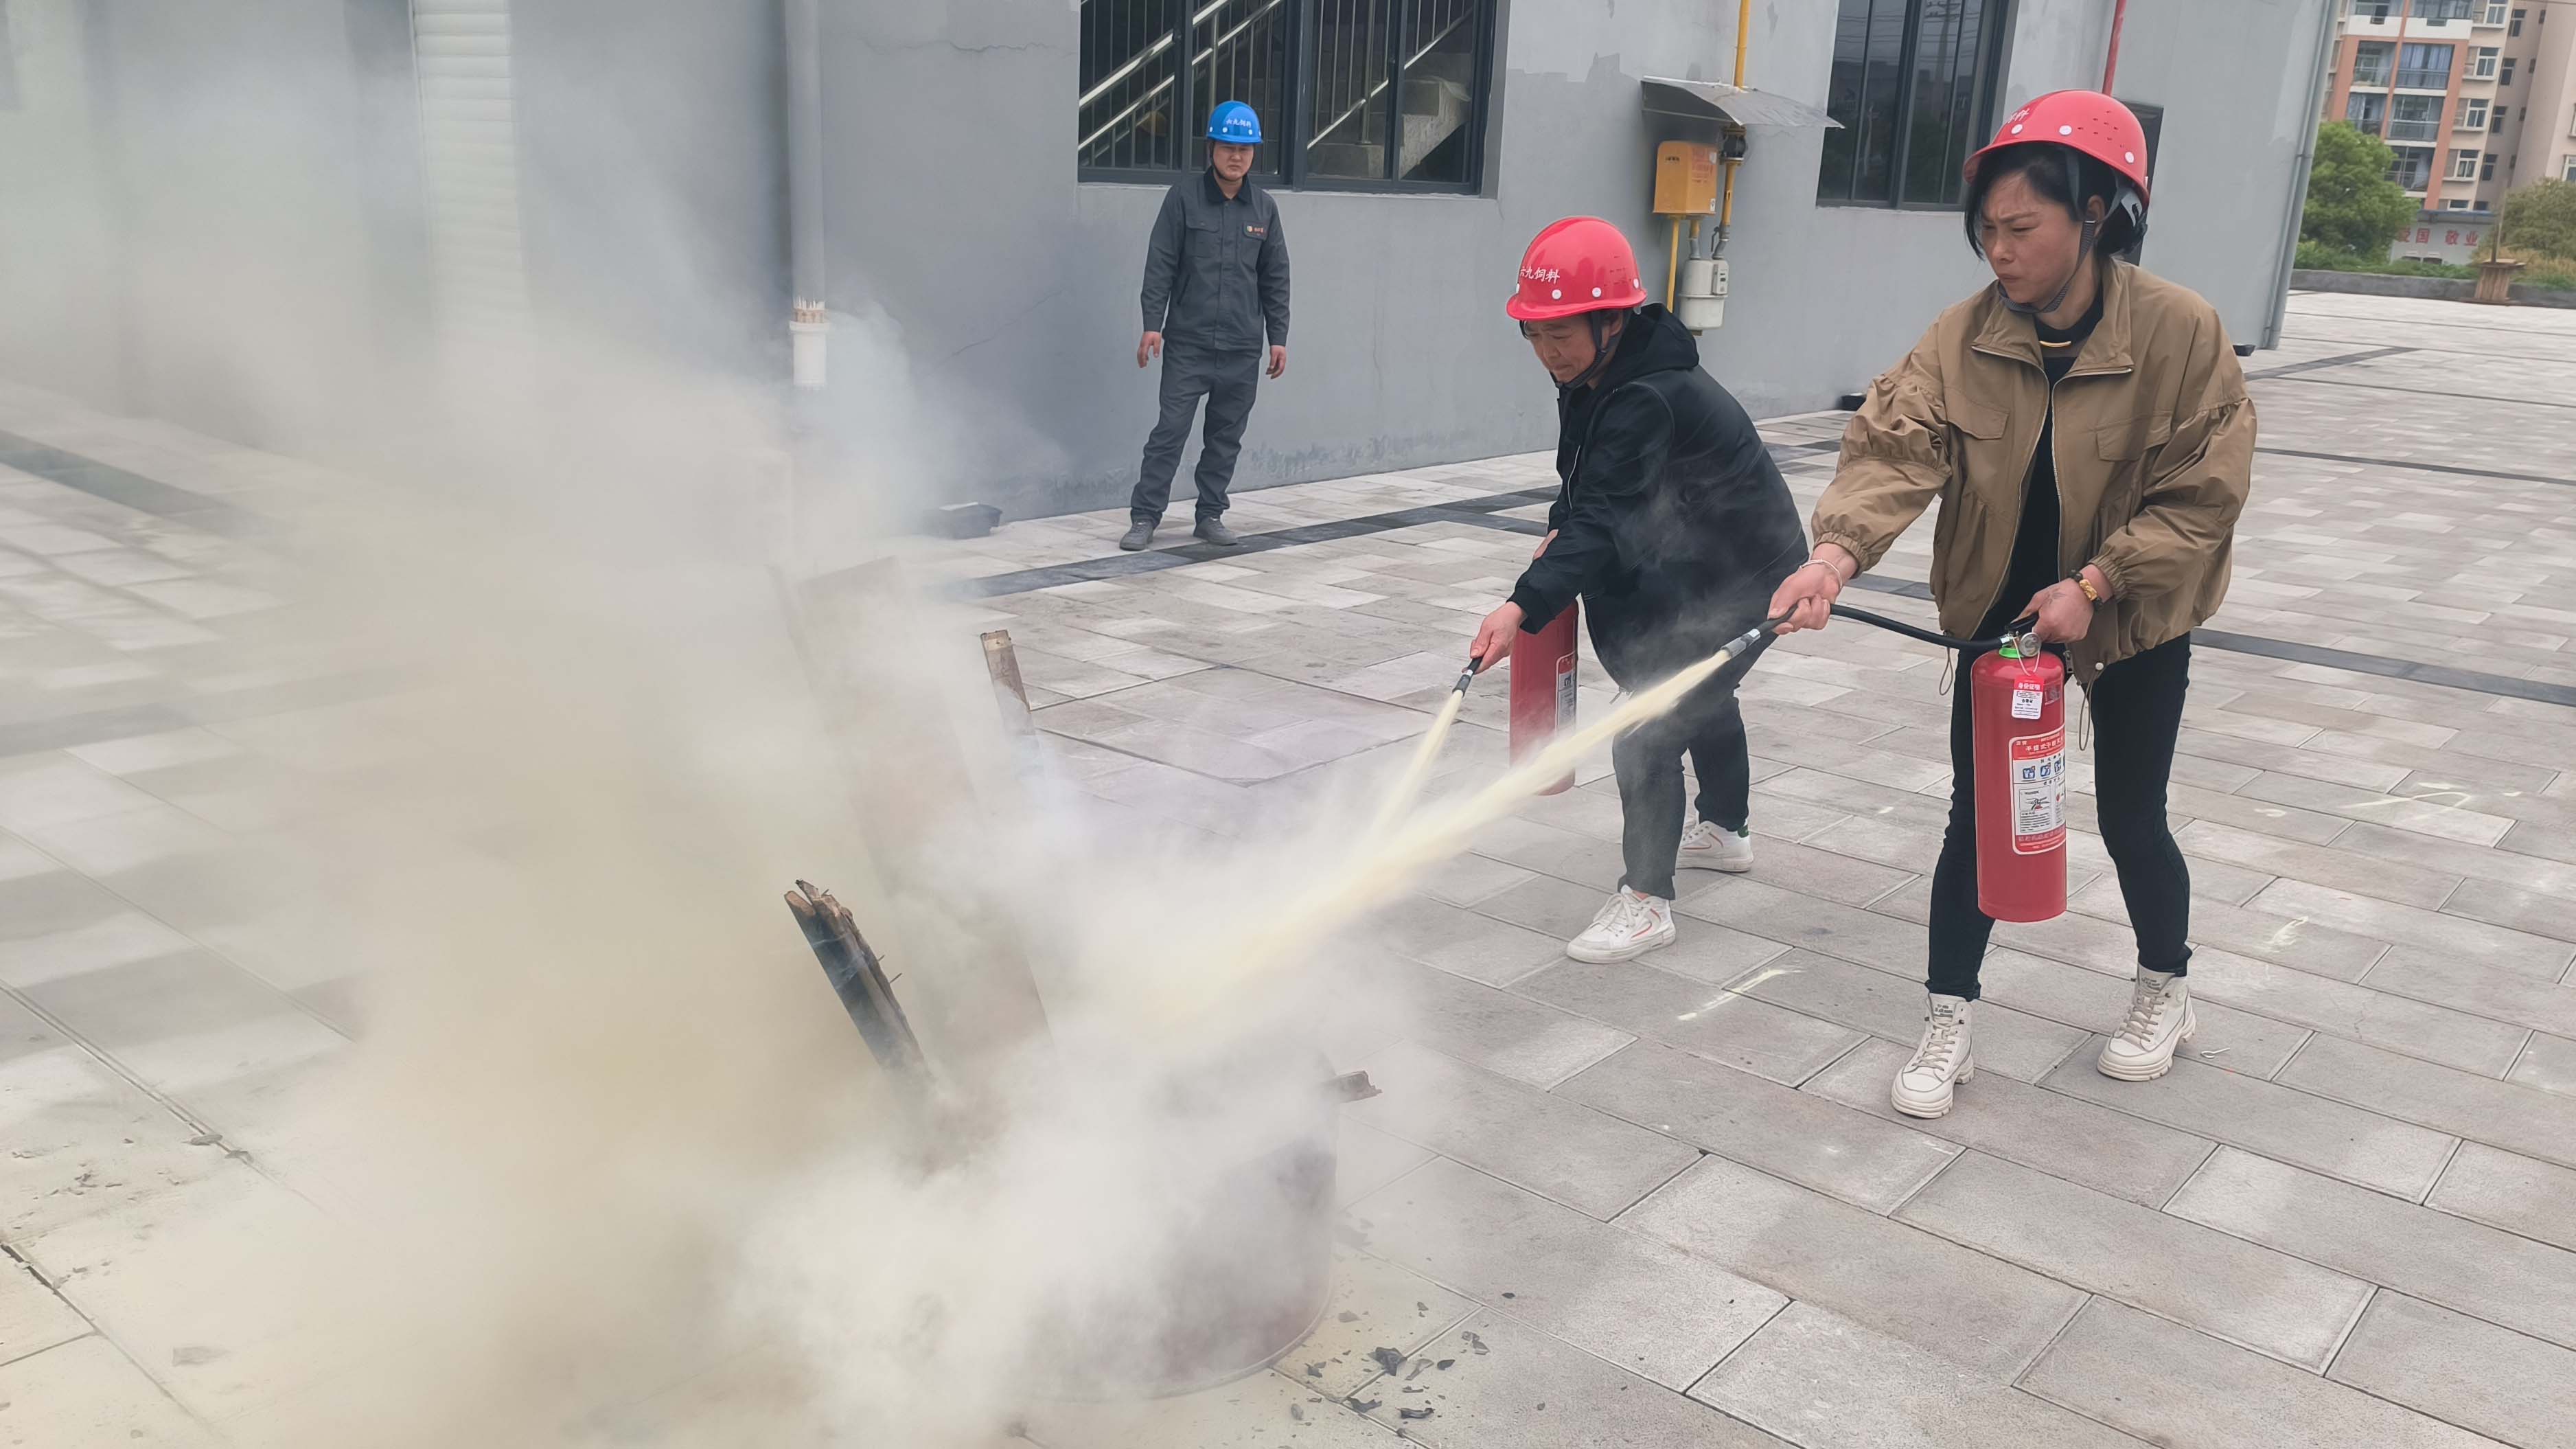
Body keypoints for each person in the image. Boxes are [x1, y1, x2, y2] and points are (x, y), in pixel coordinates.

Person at [1767, 91, 2255, 1119]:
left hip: (2132, 618)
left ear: (2096, 214)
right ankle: (1948, 1014)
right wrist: (1833, 557)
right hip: (2005, 627)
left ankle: (2165, 987)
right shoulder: (1962, 336)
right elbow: (1894, 448)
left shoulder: (2181, 332)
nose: (1999, 250)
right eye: (1986, 228)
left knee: (2131, 817)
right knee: (1977, 819)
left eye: (2022, 227)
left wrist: (2096, 583)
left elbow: (2202, 497)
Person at [1469, 218, 1806, 965]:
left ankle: (1647, 902)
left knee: (1649, 721)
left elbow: (1603, 518)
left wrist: (1524, 603)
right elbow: (1584, 485)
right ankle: (1725, 830)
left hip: (1749, 575)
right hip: (1702, 564)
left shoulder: (1647, 395)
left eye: (1561, 333)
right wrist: (1557, 533)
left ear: (1611, 319)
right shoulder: (1594, 376)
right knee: (1702, 691)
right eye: (1534, 334)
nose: (1548, 351)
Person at [1121, 100, 1291, 552]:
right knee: (1170, 432)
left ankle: (1210, 515)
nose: (1237, 156)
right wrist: (1152, 325)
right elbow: (1160, 264)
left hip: (1241, 348)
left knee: (1225, 437)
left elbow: (1276, 278)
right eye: (1228, 147)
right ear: (1211, 149)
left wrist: (1278, 338)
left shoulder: (1264, 208)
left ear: (1254, 154)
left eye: (1245, 149)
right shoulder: (1183, 199)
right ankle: (1145, 516)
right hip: (1188, 344)